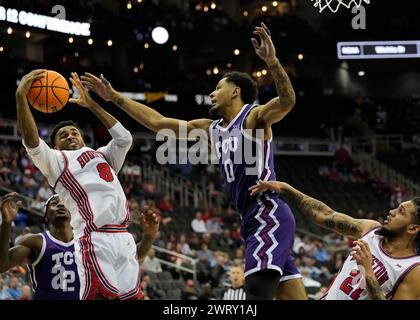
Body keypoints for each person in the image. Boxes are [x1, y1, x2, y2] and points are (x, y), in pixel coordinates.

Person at [82, 22, 305, 300]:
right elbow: (158, 122)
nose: (212, 93)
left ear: (236, 91)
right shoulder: (210, 128)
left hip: (266, 213)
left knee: (255, 295)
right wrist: (114, 97)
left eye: (218, 87)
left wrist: (271, 61)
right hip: (249, 218)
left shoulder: (253, 117)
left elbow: (287, 101)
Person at [16, 70, 136, 300]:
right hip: (94, 237)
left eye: (74, 133)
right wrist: (21, 96)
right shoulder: (55, 162)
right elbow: (31, 141)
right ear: (55, 146)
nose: (70, 136)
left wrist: (91, 105)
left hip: (123, 236)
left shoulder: (102, 155)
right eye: (63, 135)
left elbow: (124, 138)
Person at [249, 180, 420, 300]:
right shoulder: (372, 230)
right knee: (279, 258)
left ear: (413, 228)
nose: (392, 211)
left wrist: (369, 274)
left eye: (401, 212)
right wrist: (288, 190)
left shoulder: (413, 270)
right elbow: (325, 215)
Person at [0, 192, 161, 300]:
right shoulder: (36, 241)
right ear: (46, 216)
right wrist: (6, 224)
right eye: (54, 203)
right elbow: (2, 264)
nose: (61, 205)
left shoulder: (92, 242)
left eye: (65, 203)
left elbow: (133, 258)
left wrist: (149, 236)